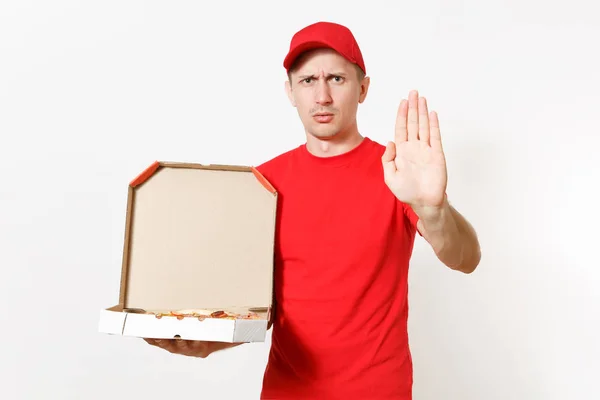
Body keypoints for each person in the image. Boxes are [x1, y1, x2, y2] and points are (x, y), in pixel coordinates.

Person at [145, 21, 481, 399]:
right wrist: (210, 342)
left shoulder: (397, 173)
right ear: (290, 91)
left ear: (363, 89)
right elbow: (258, 307)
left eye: (337, 79)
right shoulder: (262, 183)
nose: (322, 95)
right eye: (308, 81)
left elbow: (465, 258)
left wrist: (434, 209)